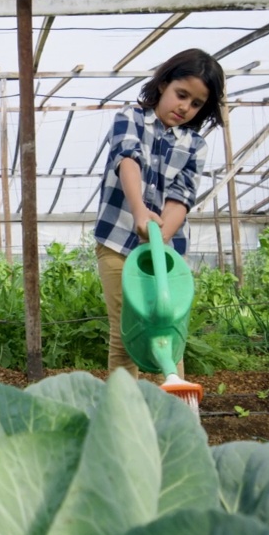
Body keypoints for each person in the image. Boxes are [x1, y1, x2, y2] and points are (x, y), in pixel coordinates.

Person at [94, 48, 225, 376]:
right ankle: (123, 416)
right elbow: (128, 160)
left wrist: (160, 236)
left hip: (166, 255)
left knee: (166, 331)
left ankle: (169, 415)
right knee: (127, 334)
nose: (185, 107)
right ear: (163, 84)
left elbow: (182, 197)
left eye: (196, 104)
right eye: (181, 95)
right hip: (118, 242)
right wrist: (139, 212)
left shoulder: (195, 144)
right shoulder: (131, 119)